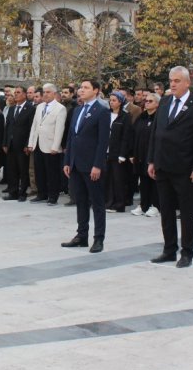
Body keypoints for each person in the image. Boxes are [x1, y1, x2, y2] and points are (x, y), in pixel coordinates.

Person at [147, 66, 193, 268]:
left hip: (185, 167)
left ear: (187, 82)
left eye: (176, 81)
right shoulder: (165, 101)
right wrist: (151, 160)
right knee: (166, 210)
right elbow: (156, 133)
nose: (172, 84)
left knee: (186, 212)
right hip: (163, 165)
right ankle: (169, 249)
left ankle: (187, 252)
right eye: (171, 80)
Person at [62, 79, 111, 253]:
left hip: (92, 165)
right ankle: (81, 235)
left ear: (96, 91)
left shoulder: (102, 111)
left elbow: (103, 141)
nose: (81, 90)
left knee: (97, 203)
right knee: (80, 201)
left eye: (86, 88)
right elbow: (71, 138)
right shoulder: (77, 110)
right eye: (81, 87)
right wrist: (68, 161)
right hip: (76, 164)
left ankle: (98, 238)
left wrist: (97, 165)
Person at [27, 83, 68, 205]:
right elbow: (35, 126)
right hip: (38, 144)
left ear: (54, 94)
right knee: (39, 171)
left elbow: (59, 129)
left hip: (51, 146)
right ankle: (41, 194)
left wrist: (55, 146)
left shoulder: (60, 108)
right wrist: (31, 143)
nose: (45, 94)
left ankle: (52, 196)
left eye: (48, 92)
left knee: (52, 173)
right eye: (44, 92)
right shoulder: (39, 107)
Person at [3, 86, 35, 201]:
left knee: (23, 171)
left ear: (25, 94)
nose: (16, 94)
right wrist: (5, 143)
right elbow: (7, 127)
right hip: (11, 144)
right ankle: (13, 192)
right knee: (12, 170)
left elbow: (31, 127)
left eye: (18, 92)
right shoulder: (11, 109)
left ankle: (22, 193)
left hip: (22, 145)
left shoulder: (30, 108)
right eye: (15, 92)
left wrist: (28, 144)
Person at [104, 91, 134, 213]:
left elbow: (126, 137)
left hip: (118, 153)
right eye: (110, 100)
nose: (111, 102)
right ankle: (108, 202)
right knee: (107, 179)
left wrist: (123, 154)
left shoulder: (125, 116)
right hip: (106, 152)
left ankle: (119, 204)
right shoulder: (106, 114)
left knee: (118, 180)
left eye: (114, 100)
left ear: (120, 102)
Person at [130, 92, 160, 217]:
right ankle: (144, 205)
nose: (147, 103)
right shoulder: (141, 117)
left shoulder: (159, 118)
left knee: (153, 181)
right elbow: (134, 136)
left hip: (153, 156)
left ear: (157, 104)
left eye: (150, 101)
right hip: (140, 155)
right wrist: (132, 153)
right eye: (146, 101)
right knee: (143, 181)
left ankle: (155, 206)